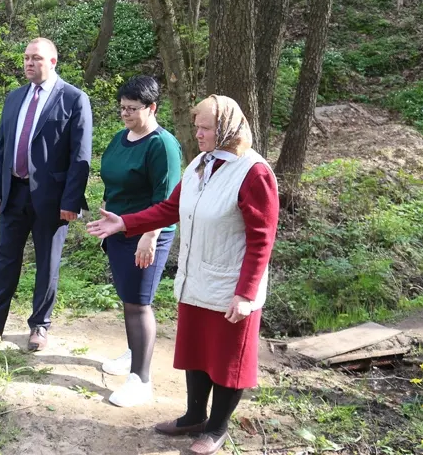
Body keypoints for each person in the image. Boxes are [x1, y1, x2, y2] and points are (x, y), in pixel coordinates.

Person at [86, 95, 279, 455]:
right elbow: (170, 208)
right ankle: (193, 416)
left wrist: (246, 292)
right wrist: (125, 222)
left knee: (225, 360)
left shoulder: (253, 172)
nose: (198, 134)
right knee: (197, 352)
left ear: (226, 129)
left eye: (205, 128)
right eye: (197, 126)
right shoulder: (200, 166)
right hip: (196, 278)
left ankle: (217, 428)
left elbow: (261, 240)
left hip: (231, 285)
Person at [0, 37, 92, 352]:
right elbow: (1, 149)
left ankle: (40, 327)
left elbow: (81, 156)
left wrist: (71, 201)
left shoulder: (74, 99)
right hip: (14, 193)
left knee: (47, 264)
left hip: (52, 199)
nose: (29, 63)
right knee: (6, 260)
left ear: (53, 61)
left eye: (35, 58)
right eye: (25, 58)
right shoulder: (14, 98)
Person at [98, 76, 182, 408]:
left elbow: (166, 200)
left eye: (133, 109)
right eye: (122, 108)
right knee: (127, 297)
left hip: (148, 236)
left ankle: (141, 378)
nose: (125, 114)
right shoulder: (121, 138)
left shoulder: (162, 145)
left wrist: (149, 237)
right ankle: (134, 353)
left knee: (139, 303)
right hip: (119, 232)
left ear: (152, 107)